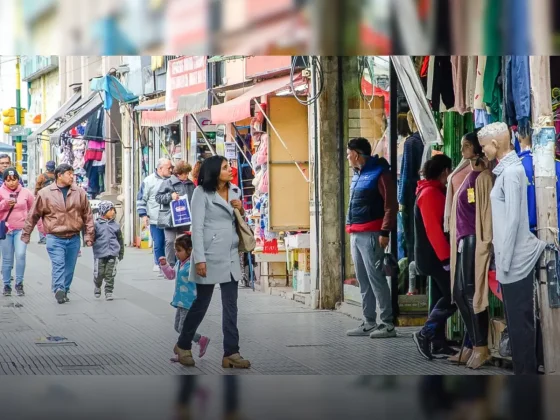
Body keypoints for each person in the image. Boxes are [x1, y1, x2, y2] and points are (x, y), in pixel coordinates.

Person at [478, 122, 546, 375]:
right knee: (518, 322)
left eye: (484, 146)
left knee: (520, 323)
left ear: (495, 144)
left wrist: (503, 260)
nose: (483, 151)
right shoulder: (506, 172)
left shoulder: (513, 172)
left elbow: (514, 222)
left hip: (515, 258)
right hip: (509, 256)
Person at [173, 155, 250, 369]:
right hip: (208, 255)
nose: (230, 169)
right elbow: (196, 227)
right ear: (215, 172)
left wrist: (240, 210)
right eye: (225, 167)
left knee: (231, 306)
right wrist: (199, 259)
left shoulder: (234, 190)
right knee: (201, 304)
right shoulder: (201, 193)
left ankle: (231, 353)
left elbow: (237, 221)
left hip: (231, 254)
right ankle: (183, 344)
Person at [448, 131, 494, 369]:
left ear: (478, 149)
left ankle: (480, 346)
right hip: (463, 239)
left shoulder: (484, 177)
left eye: (467, 146)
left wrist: (486, 243)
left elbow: (486, 214)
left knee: (470, 293)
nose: (463, 150)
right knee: (459, 293)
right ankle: (472, 344)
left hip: (474, 238)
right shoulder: (467, 174)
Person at [345, 137, 398, 339]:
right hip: (355, 233)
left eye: (349, 153)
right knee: (363, 279)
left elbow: (390, 206)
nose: (348, 157)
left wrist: (385, 232)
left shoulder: (380, 173)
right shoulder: (356, 174)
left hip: (372, 235)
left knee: (376, 278)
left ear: (357, 154)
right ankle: (368, 321)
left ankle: (387, 324)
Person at [22, 163, 95, 304]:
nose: (72, 176)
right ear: (59, 175)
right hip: (54, 237)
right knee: (58, 264)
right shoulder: (45, 193)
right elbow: (33, 215)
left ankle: (64, 289)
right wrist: (26, 234)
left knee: (69, 267)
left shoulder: (79, 192)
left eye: (73, 174)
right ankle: (59, 289)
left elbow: (88, 215)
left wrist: (89, 236)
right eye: (69, 174)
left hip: (74, 237)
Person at [411, 155, 457, 360]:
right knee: (453, 296)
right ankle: (424, 333)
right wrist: (446, 259)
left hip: (433, 256)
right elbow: (433, 230)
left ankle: (437, 342)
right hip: (434, 257)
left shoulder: (430, 190)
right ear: (445, 171)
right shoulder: (429, 193)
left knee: (440, 297)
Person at [160, 234, 210, 359]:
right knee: (178, 327)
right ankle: (193, 344)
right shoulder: (179, 264)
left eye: (179, 251)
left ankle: (188, 349)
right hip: (180, 302)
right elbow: (171, 275)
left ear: (189, 251)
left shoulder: (192, 265)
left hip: (189, 302)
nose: (176, 253)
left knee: (183, 327)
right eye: (175, 250)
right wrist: (165, 265)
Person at [0, 168, 34, 297]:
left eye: (14, 179)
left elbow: (33, 209)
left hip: (21, 229)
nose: (12, 183)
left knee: (20, 255)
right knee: (7, 259)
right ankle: (7, 284)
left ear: (18, 179)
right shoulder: (1, 192)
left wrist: (33, 225)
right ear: (4, 181)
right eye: (8, 180)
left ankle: (19, 283)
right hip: (6, 230)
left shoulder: (26, 192)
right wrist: (4, 204)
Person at [156, 161, 196, 266]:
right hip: (170, 218)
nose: (186, 176)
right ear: (178, 173)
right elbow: (158, 198)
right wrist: (170, 196)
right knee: (169, 241)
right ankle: (170, 265)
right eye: (184, 173)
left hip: (184, 218)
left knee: (183, 242)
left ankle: (183, 264)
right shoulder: (168, 182)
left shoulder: (190, 184)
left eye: (188, 173)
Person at [136, 158, 173, 273]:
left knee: (170, 242)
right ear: (160, 168)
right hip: (155, 217)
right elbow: (141, 199)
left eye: (172, 167)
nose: (171, 170)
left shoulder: (173, 180)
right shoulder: (148, 181)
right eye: (169, 168)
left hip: (171, 218)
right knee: (159, 242)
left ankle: (170, 263)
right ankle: (158, 263)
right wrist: (143, 215)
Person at [93, 201, 124, 301]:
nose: (113, 212)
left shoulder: (116, 225)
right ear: (103, 211)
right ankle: (97, 285)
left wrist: (120, 252)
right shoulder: (96, 225)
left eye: (113, 210)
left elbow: (120, 239)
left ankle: (109, 292)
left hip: (113, 253)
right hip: (100, 253)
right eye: (110, 210)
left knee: (110, 274)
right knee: (99, 273)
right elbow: (91, 237)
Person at [34, 160, 56, 244]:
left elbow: (37, 188)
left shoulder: (41, 176)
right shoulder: (57, 176)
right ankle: (53, 236)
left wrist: (36, 197)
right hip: (55, 200)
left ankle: (43, 237)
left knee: (41, 219)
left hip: (43, 199)